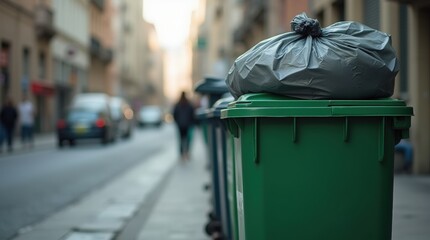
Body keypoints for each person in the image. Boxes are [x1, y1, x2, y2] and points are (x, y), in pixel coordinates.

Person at [173, 91, 195, 160]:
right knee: (188, 139)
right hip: (187, 125)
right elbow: (192, 114)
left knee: (181, 140)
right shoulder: (189, 104)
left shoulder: (177, 104)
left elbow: (174, 114)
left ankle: (182, 154)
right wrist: (191, 122)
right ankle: (187, 153)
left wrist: (177, 122)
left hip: (180, 125)